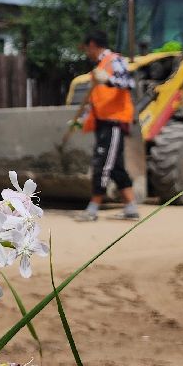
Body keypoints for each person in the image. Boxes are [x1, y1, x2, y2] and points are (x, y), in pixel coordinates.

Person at [75, 30, 139, 222]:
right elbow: (96, 99)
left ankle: (93, 208)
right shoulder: (98, 67)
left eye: (87, 48)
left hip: (114, 122)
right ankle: (131, 208)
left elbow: (129, 83)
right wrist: (82, 119)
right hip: (104, 121)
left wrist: (108, 80)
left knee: (102, 163)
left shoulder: (113, 60)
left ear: (93, 45)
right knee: (116, 166)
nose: (86, 52)